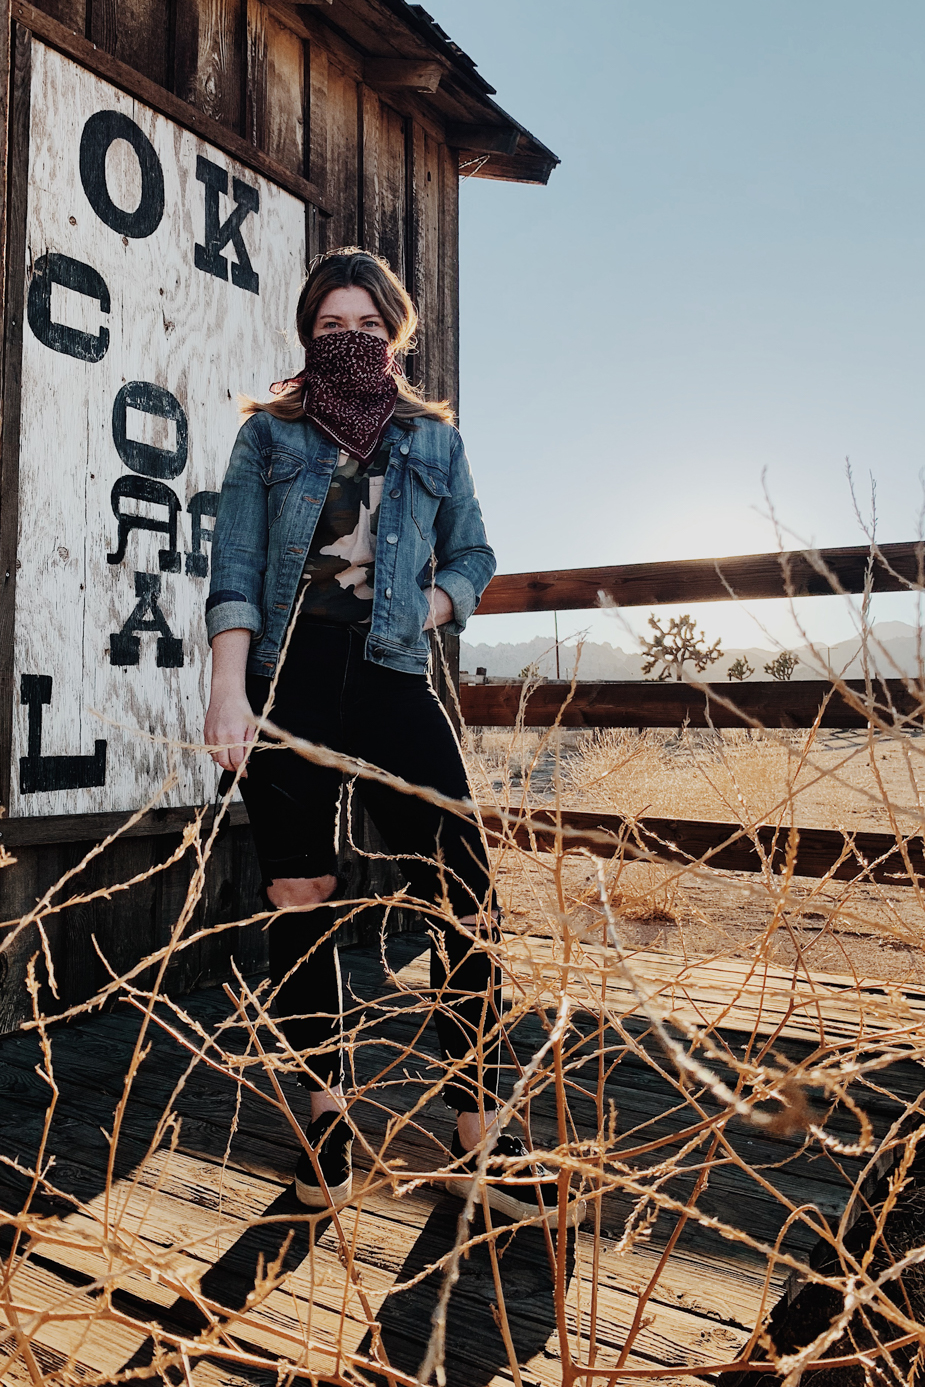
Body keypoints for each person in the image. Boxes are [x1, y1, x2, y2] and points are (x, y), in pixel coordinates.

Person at [204, 248, 580, 1226]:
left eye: (367, 328)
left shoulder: (430, 443)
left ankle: (479, 1138)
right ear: (306, 335)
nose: (349, 341)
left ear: (395, 336)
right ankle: (327, 1128)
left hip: (393, 676)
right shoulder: (267, 437)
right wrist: (226, 694)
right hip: (287, 676)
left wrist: (433, 606)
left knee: (463, 896)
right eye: (331, 328)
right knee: (300, 893)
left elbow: (477, 554)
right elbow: (236, 570)